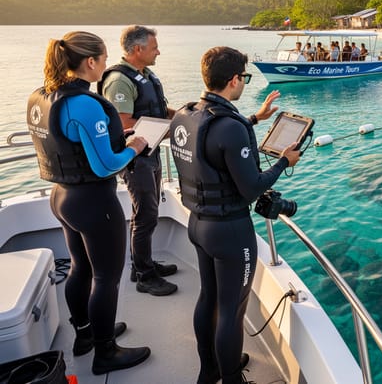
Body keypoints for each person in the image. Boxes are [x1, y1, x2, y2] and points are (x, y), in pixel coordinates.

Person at [169, 47, 301, 384]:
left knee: (208, 298)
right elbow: (252, 188)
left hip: (198, 225)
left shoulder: (187, 114)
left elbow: (212, 145)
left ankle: (209, 369)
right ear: (234, 80)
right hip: (230, 233)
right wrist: (285, 161)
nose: (244, 81)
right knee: (231, 310)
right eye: (244, 76)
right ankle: (231, 378)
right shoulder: (229, 127)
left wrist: (256, 118)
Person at [26, 31, 151, 375]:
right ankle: (106, 352)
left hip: (62, 198)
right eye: (105, 58)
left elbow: (73, 141)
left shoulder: (42, 96)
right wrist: (135, 147)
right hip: (94, 203)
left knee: (81, 267)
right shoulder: (83, 103)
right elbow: (105, 165)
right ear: (91, 62)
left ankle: (85, 335)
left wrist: (115, 138)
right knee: (107, 278)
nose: (107, 65)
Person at [99, 25, 177, 297]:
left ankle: (142, 265)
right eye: (154, 47)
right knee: (146, 215)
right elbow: (122, 123)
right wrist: (167, 128)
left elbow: (155, 107)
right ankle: (145, 276)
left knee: (147, 212)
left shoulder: (144, 74)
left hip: (150, 152)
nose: (158, 51)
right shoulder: (120, 81)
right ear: (137, 50)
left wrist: (181, 117)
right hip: (136, 158)